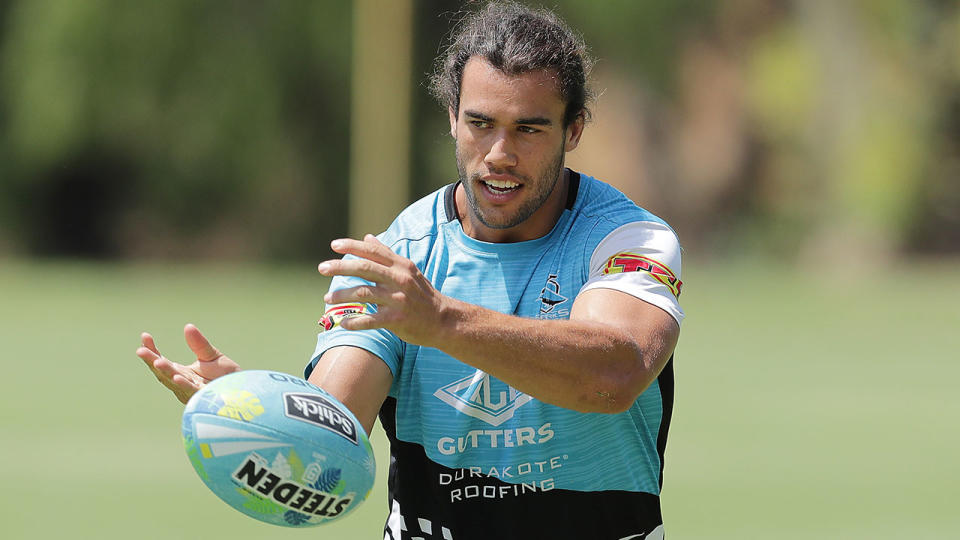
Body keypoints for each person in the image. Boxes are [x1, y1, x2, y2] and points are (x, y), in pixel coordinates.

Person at [137, 2, 683, 538]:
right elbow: (336, 424)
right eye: (480, 123)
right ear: (451, 118)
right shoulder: (395, 259)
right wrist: (262, 417)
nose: (498, 153)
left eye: (529, 129)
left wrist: (440, 321)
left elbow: (614, 376)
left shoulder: (626, 239)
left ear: (574, 130)